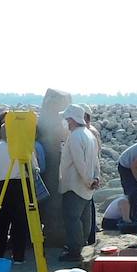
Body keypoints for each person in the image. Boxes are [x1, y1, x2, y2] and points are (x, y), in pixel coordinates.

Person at [0, 112, 36, 262]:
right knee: (20, 223)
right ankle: (19, 256)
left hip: (1, 186)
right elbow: (34, 169)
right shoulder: (25, 147)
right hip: (21, 186)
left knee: (1, 223)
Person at [57, 105, 99, 261]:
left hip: (74, 184)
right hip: (87, 184)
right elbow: (96, 161)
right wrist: (95, 178)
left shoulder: (75, 136)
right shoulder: (89, 135)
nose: (66, 122)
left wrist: (89, 180)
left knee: (72, 218)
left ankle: (74, 252)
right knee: (84, 218)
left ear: (72, 119)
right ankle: (81, 246)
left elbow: (79, 162)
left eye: (67, 119)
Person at [84, 108, 102, 245]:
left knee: (88, 206)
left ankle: (90, 235)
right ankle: (91, 234)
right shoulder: (92, 132)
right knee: (90, 205)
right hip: (92, 172)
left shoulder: (89, 133)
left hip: (88, 174)